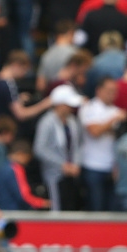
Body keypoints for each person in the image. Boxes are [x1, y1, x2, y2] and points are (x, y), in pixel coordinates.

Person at [33, 84, 83, 211]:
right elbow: (39, 148)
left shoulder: (72, 121)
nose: (71, 108)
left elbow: (76, 145)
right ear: (60, 104)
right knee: (57, 208)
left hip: (71, 174)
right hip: (54, 175)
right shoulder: (47, 122)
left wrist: (76, 164)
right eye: (68, 104)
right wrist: (61, 165)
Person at [79, 76, 126, 211]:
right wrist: (113, 121)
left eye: (115, 91)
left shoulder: (116, 111)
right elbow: (94, 131)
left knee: (111, 210)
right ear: (99, 90)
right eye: (109, 90)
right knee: (96, 208)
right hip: (93, 165)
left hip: (112, 168)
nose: (112, 95)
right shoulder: (89, 108)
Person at [0, 139, 51, 211]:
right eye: (27, 158)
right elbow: (23, 196)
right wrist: (42, 203)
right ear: (21, 154)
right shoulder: (16, 169)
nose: (27, 162)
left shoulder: (3, 167)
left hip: (1, 209)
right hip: (14, 211)